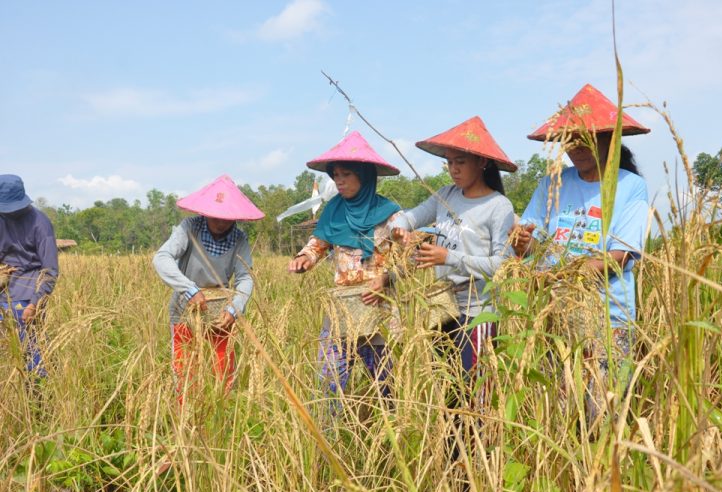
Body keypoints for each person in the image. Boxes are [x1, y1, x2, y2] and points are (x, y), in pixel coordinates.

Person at [511, 83, 651, 429]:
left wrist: (558, 276)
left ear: (610, 139)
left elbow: (619, 256)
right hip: (555, 315)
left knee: (601, 415)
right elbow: (530, 243)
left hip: (608, 316)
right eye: (569, 139)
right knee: (556, 412)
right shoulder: (553, 182)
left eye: (586, 137)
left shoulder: (629, 186)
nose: (576, 147)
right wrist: (520, 240)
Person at [390, 116, 517, 400]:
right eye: (449, 162)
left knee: (475, 395)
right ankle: (450, 446)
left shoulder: (498, 206)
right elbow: (406, 218)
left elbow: (503, 265)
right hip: (442, 309)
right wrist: (400, 230)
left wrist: (449, 257)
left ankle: (479, 445)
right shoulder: (444, 195)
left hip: (477, 313)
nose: (453, 169)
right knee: (448, 393)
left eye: (460, 161)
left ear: (481, 162)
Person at [287, 131, 401, 409]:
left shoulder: (390, 214)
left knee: (384, 381)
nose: (339, 180)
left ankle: (389, 435)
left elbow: (407, 258)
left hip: (378, 308)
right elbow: (318, 243)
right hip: (342, 309)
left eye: (346, 174)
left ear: (364, 175)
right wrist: (304, 258)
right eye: (335, 174)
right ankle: (329, 436)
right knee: (331, 377)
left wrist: (386, 279)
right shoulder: (334, 211)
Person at [153, 175, 264, 399]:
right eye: (216, 216)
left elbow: (245, 278)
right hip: (185, 311)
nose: (221, 222)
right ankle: (187, 422)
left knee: (222, 373)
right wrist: (190, 289)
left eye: (227, 217)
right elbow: (162, 258)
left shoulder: (239, 239)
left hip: (220, 314)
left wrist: (235, 308)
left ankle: (220, 419)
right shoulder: (190, 228)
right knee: (185, 374)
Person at [0, 175, 58, 378]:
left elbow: (50, 270)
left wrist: (35, 304)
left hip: (29, 295)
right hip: (4, 291)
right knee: (9, 356)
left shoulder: (40, 223)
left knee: (34, 353)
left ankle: (39, 394)